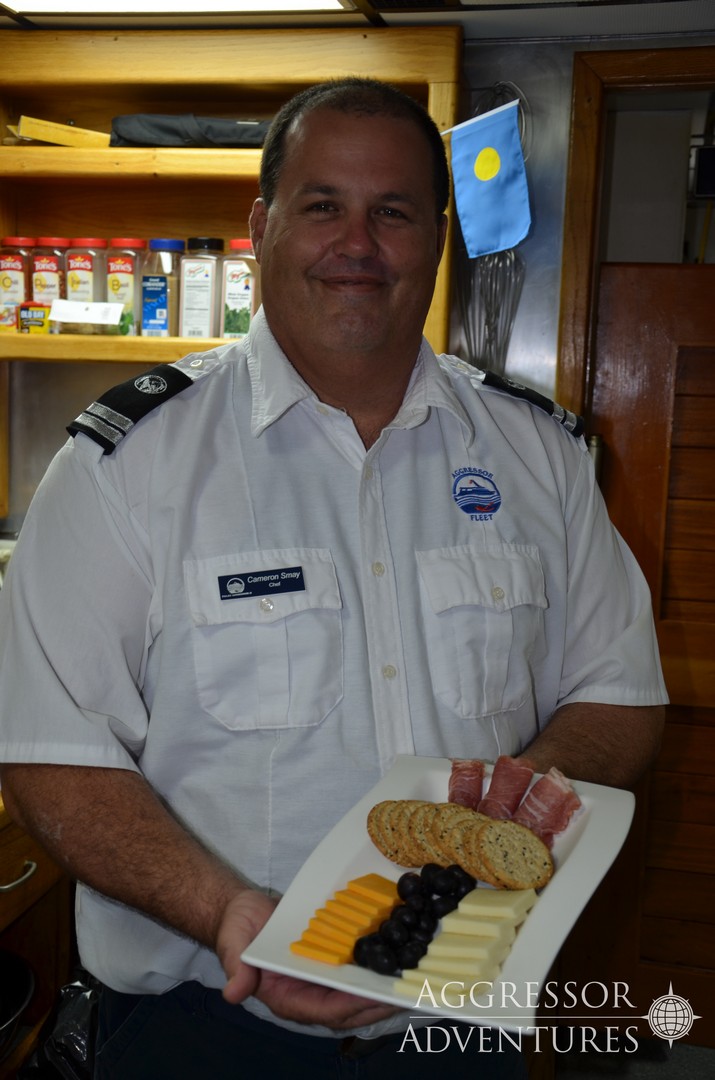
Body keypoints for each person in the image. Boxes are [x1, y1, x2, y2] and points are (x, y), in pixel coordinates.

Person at [0, 78, 667, 1079]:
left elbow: (617, 695)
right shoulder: (125, 465)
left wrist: (515, 803)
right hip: (204, 1026)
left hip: (459, 1018)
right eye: (322, 206)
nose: (357, 245)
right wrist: (226, 912)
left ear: (437, 238)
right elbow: (48, 750)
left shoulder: (539, 457)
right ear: (260, 227)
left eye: (392, 212)